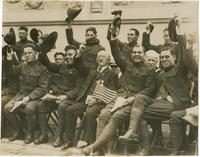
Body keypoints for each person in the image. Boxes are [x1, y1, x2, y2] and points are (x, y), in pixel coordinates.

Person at [81, 19, 156, 155]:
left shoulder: (149, 70)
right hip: (119, 97)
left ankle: (94, 147)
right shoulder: (128, 65)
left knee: (116, 117)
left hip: (134, 101)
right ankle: (101, 151)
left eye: (139, 52)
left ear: (144, 54)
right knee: (103, 115)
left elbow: (149, 89)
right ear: (131, 55)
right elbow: (116, 53)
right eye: (134, 53)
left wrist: (133, 98)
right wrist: (113, 37)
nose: (136, 55)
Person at [137, 16, 193, 155]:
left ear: (174, 58)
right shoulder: (161, 73)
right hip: (164, 103)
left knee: (141, 113)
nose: (164, 59)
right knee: (139, 114)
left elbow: (182, 48)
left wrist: (179, 29)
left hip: (179, 104)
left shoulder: (180, 68)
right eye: (162, 58)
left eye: (167, 57)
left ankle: (174, 149)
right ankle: (146, 147)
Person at [59, 50, 118, 150]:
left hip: (100, 103)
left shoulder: (112, 73)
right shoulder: (92, 70)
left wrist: (97, 100)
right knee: (70, 110)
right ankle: (69, 140)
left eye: (103, 57)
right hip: (86, 100)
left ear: (108, 60)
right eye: (99, 56)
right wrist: (79, 54)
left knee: (90, 113)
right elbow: (79, 65)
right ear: (96, 59)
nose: (100, 58)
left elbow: (112, 91)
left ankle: (92, 143)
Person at [38, 45, 84, 145]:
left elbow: (78, 89)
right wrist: (44, 49)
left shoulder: (80, 69)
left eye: (70, 54)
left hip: (72, 98)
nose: (68, 57)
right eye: (66, 54)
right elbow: (46, 63)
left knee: (62, 106)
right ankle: (43, 134)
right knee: (41, 105)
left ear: (76, 55)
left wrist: (66, 96)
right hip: (58, 96)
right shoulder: (62, 66)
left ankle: (60, 137)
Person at [4, 43, 49, 144]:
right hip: (22, 94)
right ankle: (19, 131)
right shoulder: (22, 66)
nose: (27, 55)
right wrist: (8, 59)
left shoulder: (43, 69)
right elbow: (10, 73)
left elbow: (42, 88)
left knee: (29, 108)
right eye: (25, 53)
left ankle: (30, 133)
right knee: (7, 108)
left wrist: (28, 98)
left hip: (36, 97)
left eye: (29, 53)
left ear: (36, 54)